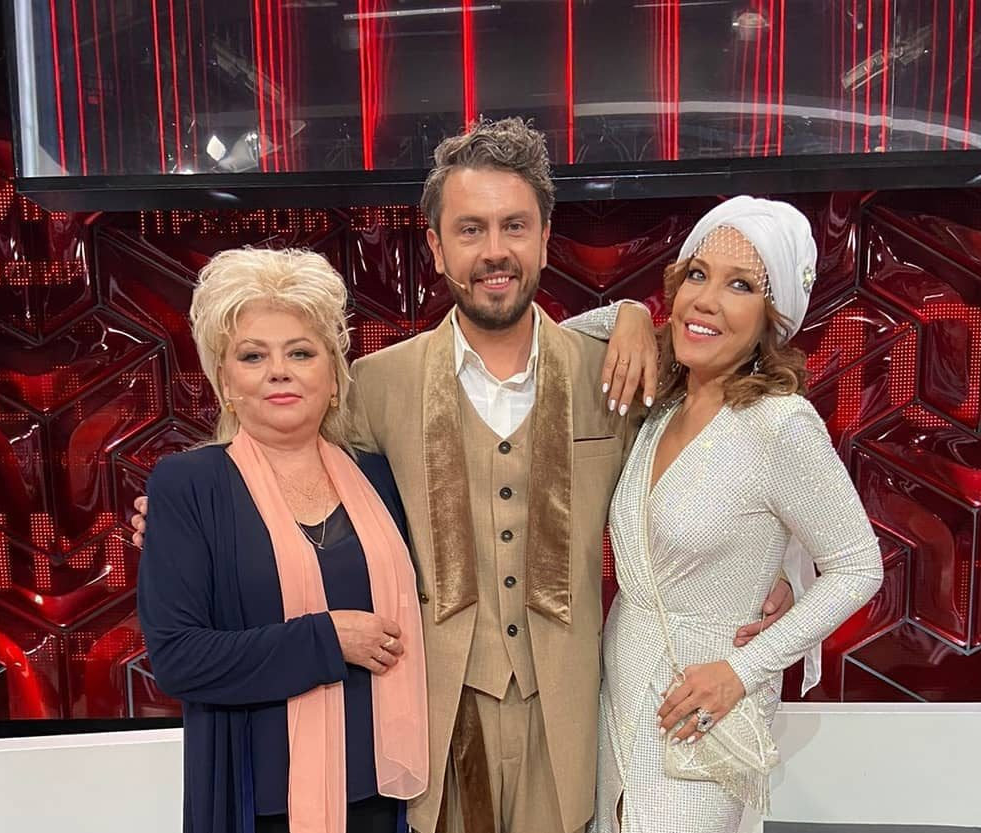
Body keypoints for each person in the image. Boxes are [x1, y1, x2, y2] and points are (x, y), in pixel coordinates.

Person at [132, 119, 796, 833]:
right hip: (432, 721)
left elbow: (721, 458)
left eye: (515, 226)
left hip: (570, 719)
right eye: (470, 229)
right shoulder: (375, 386)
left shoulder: (612, 374)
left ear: (546, 237)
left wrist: (782, 564)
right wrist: (189, 522)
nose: (494, 250)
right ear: (436, 247)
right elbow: (283, 443)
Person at [582, 196, 884, 833]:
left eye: (740, 285)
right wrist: (629, 313)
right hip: (618, 696)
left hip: (700, 716)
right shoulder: (660, 407)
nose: (707, 300)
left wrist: (743, 671)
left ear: (772, 320)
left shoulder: (780, 423)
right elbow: (551, 345)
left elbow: (859, 567)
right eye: (697, 275)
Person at [136, 248, 428, 833]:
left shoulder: (381, 475)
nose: (279, 371)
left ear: (334, 376)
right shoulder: (189, 485)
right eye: (253, 355)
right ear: (225, 381)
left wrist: (616, 316)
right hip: (260, 800)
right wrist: (326, 639)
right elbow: (178, 659)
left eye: (300, 352)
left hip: (384, 794)